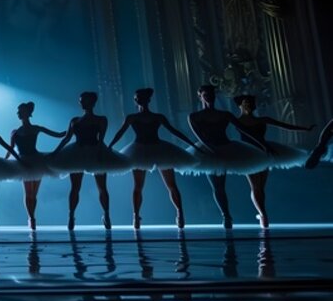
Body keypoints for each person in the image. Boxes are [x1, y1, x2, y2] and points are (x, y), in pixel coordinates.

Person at [106, 88, 199, 229]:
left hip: (158, 149)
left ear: (148, 100)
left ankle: (180, 213)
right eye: (137, 99)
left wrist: (191, 143)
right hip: (138, 150)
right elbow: (120, 132)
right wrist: (110, 145)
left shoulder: (158, 117)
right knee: (138, 186)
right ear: (135, 101)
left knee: (171, 185)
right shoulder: (132, 117)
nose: (140, 101)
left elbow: (173, 131)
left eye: (142, 98)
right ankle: (136, 216)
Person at [183, 85, 271, 228]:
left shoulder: (225, 115)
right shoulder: (194, 116)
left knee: (251, 181)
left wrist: (262, 143)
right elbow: (199, 135)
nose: (209, 97)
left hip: (227, 146)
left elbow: (245, 130)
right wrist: (211, 150)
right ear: (200, 97)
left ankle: (259, 213)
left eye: (211, 94)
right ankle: (226, 215)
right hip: (209, 150)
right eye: (206, 94)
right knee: (218, 185)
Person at [49, 92, 132, 230]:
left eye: (84, 101)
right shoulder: (75, 120)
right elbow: (67, 138)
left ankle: (106, 215)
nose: (81, 103)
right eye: (80, 101)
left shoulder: (101, 119)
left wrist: (101, 153)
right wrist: (55, 152)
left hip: (94, 150)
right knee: (75, 187)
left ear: (92, 103)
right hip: (76, 152)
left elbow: (101, 140)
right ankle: (71, 216)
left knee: (102, 187)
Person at [233, 95, 313, 228]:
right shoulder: (237, 121)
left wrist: (305, 129)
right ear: (240, 105)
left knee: (261, 187)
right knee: (255, 186)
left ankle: (262, 215)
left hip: (265, 153)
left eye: (251, 103)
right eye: (246, 103)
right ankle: (263, 215)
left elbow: (284, 125)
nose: (249, 105)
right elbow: (248, 135)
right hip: (249, 154)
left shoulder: (262, 119)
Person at [9, 102, 65, 229]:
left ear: (27, 113)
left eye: (20, 111)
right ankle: (31, 218)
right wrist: (4, 161)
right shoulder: (15, 132)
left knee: (34, 193)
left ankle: (32, 216)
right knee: (28, 192)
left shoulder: (36, 128)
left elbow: (58, 135)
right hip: (23, 161)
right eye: (18, 111)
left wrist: (69, 131)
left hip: (36, 160)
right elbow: (11, 149)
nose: (18, 113)